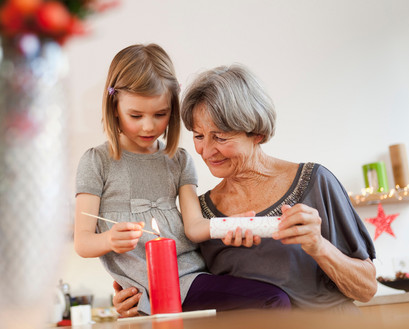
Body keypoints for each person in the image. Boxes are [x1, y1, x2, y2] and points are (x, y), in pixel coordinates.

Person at [113, 63, 377, 314]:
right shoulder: (202, 217)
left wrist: (319, 246)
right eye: (198, 136)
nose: (206, 151)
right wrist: (137, 301)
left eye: (221, 137)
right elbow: (190, 290)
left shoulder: (315, 183)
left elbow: (367, 289)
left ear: (257, 132)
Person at [74, 44, 291, 316]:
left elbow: (195, 228)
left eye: (160, 114)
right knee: (272, 302)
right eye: (136, 115)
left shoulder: (178, 160)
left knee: (273, 300)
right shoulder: (97, 162)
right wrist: (109, 240)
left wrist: (232, 226)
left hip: (190, 277)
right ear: (114, 106)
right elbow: (82, 242)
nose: (148, 126)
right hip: (151, 292)